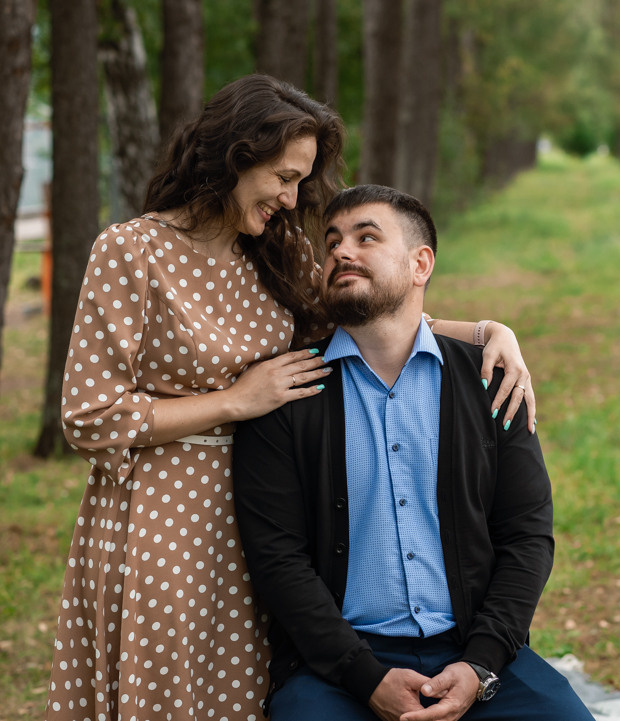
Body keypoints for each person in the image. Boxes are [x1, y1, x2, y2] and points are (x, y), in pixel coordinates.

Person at [46, 75, 536, 721]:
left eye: (301, 180)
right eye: (283, 176)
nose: (292, 196)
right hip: (164, 516)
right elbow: (89, 415)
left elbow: (367, 316)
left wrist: (485, 332)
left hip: (271, 511)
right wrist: (235, 401)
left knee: (243, 695)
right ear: (233, 155)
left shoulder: (276, 254)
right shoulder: (131, 250)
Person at [231, 184, 592, 721]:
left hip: (475, 651)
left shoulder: (490, 380)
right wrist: (364, 676)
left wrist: (480, 666)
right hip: (338, 667)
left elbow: (527, 535)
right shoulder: (287, 394)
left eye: (366, 237)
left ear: (421, 263)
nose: (341, 252)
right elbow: (277, 559)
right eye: (331, 242)